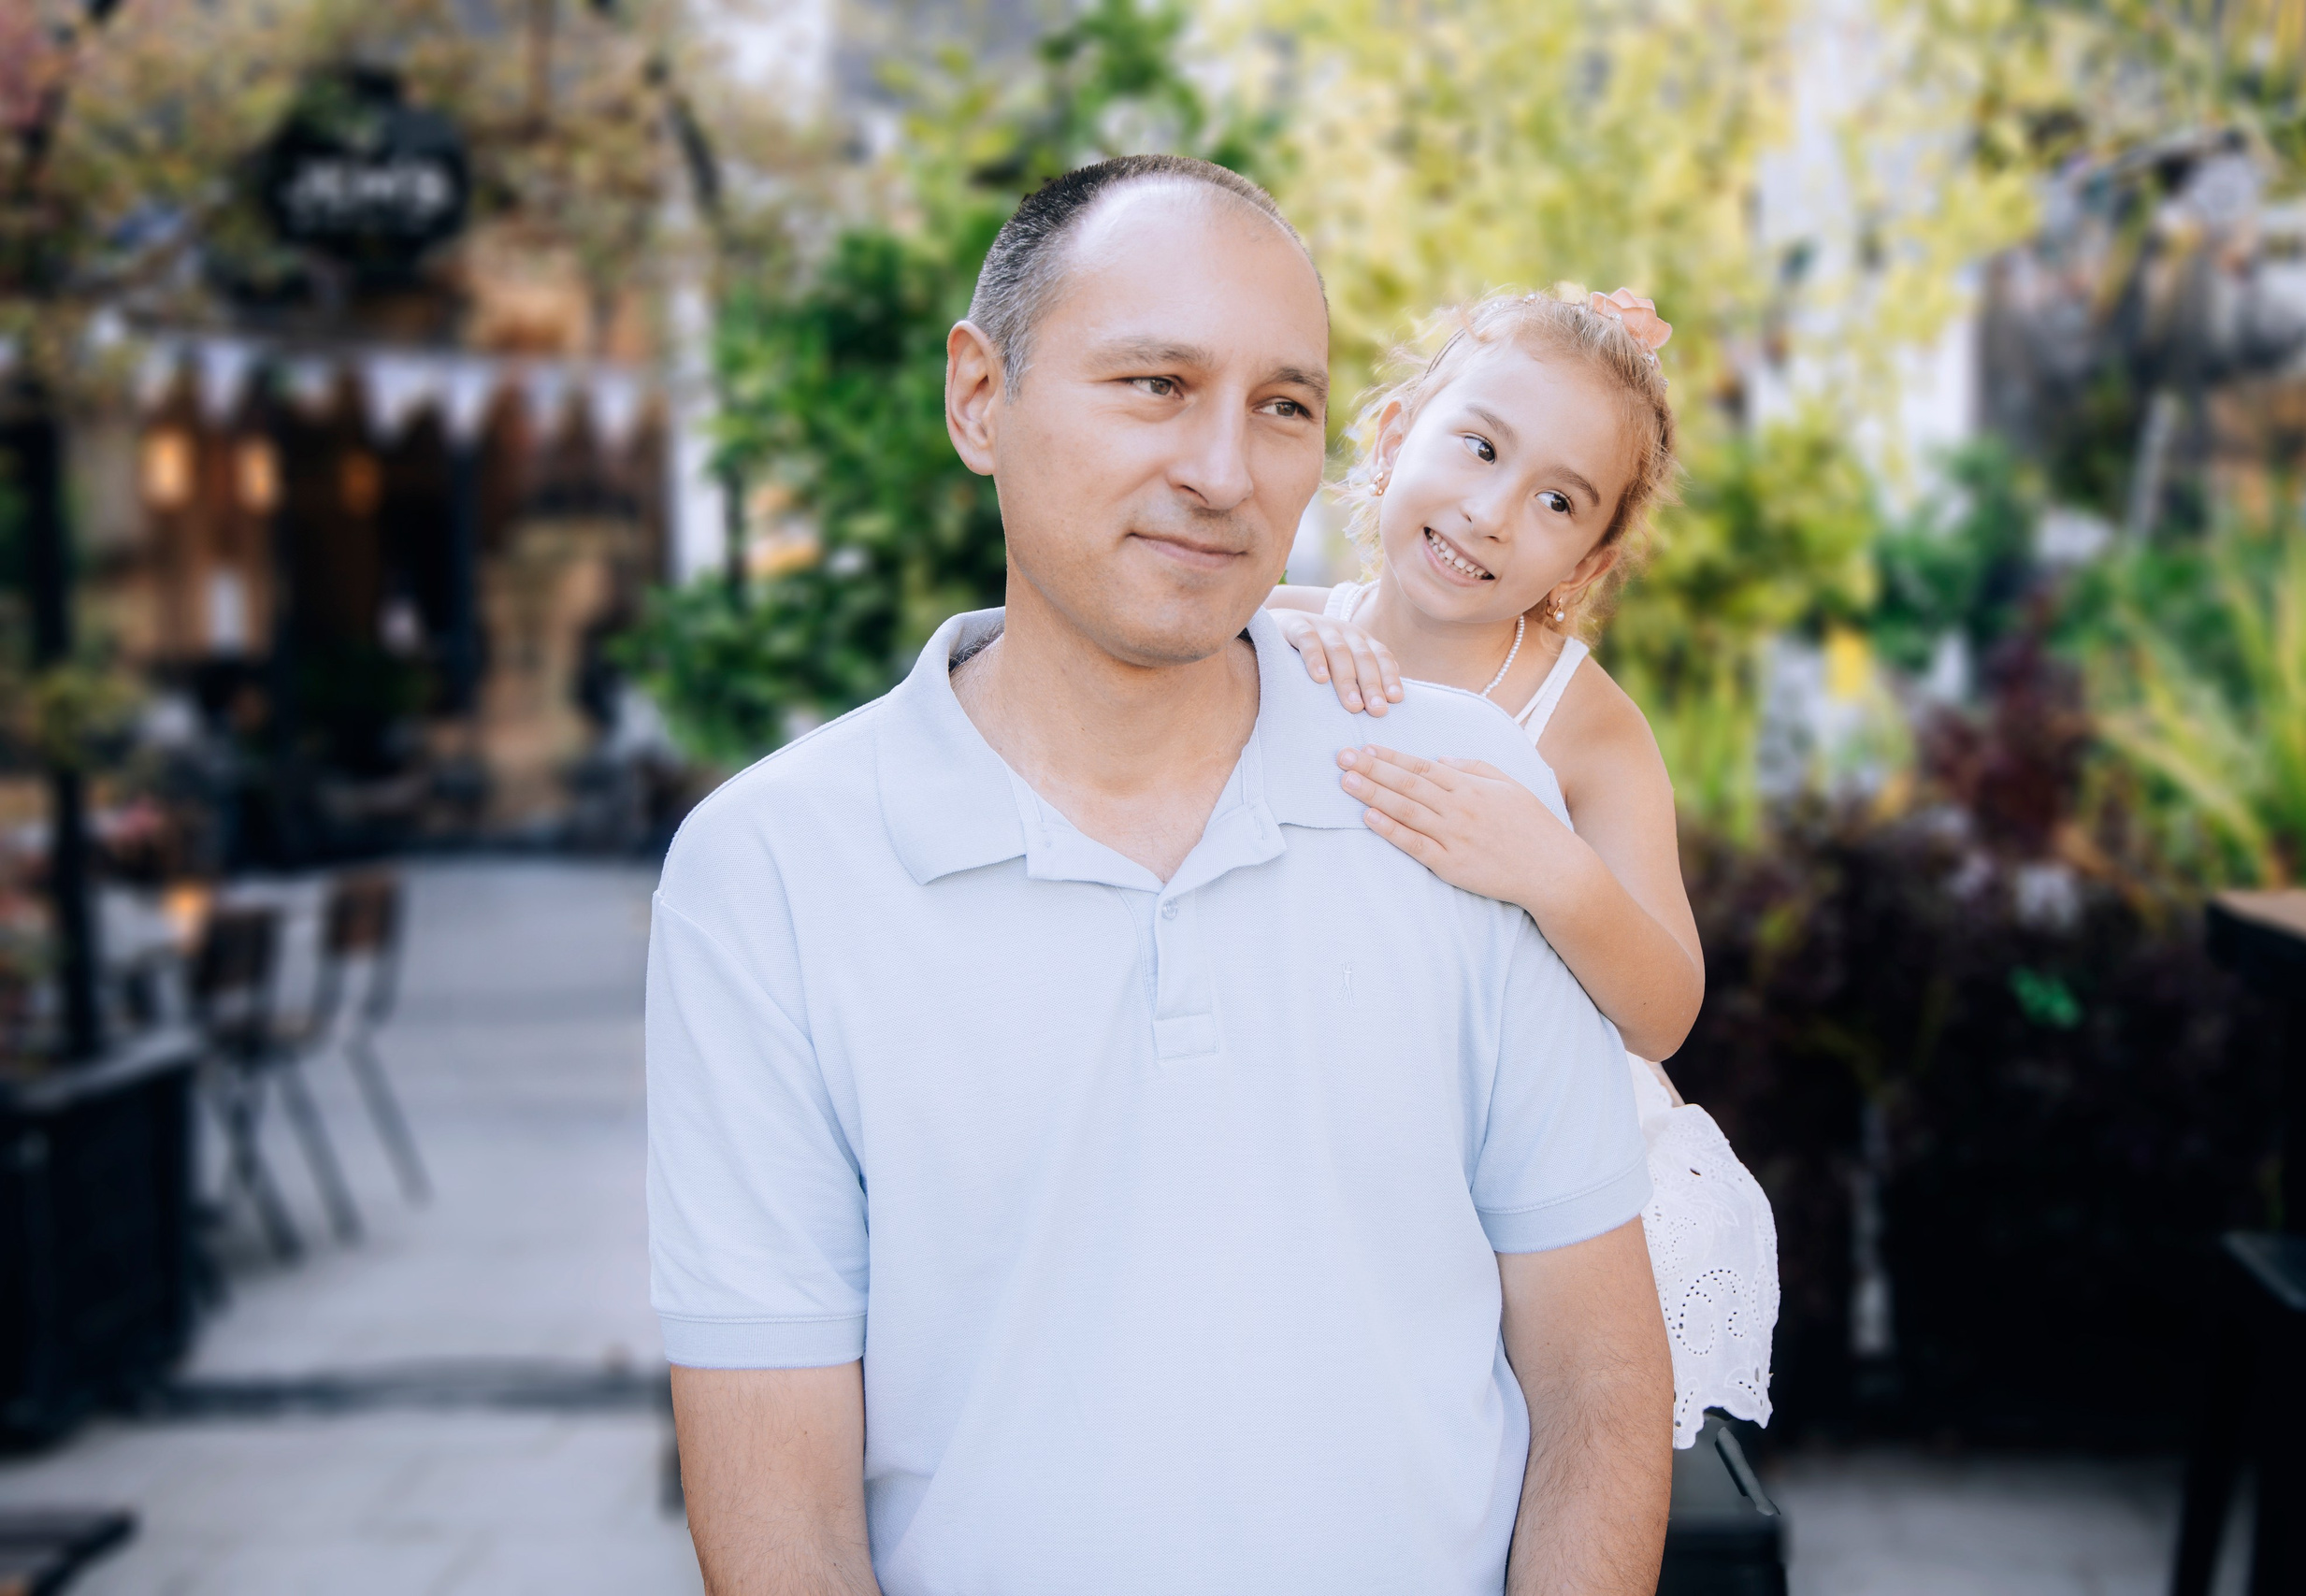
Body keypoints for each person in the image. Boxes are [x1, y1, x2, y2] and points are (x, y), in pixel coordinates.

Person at [648, 156, 1673, 1594]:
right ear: (978, 397)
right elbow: (779, 1519)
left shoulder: (1470, 799)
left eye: (1280, 407)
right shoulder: (767, 870)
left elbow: (1600, 1386)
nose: (1221, 471)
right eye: (1153, 384)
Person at [1266, 286, 1778, 1446]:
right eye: (1478, 446)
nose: (1493, 512)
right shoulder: (1278, 635)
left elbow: (1663, 1011)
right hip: (1345, 1134)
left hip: (1532, 1175)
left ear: (1586, 561)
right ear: (1395, 434)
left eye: (1556, 500)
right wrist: (1271, 639)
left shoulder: (1582, 726)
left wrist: (1550, 869)